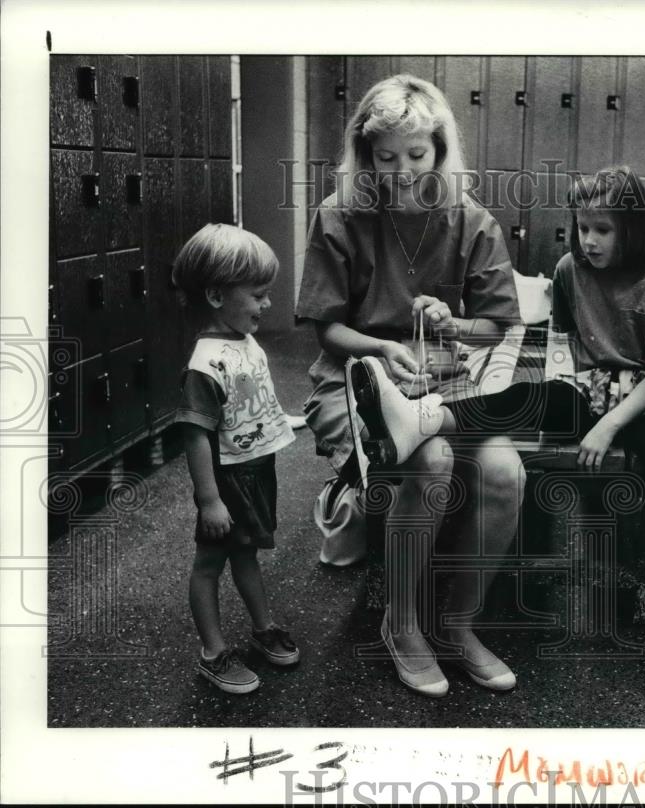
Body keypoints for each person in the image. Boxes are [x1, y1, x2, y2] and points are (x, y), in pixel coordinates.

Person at [350, 166, 645, 703]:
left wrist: (612, 422)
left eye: (603, 229)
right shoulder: (571, 269)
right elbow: (566, 348)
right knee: (529, 396)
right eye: (582, 227)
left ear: (633, 228)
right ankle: (423, 420)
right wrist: (577, 399)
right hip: (591, 389)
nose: (588, 240)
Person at [296, 75, 523, 698]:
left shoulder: (470, 219)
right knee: (431, 461)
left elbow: (496, 327)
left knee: (507, 474)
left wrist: (456, 323)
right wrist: (383, 348)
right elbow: (326, 330)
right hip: (357, 381)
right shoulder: (339, 216)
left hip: (446, 386)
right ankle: (403, 625)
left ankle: (456, 625)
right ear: (364, 153)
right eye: (384, 156)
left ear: (441, 151)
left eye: (416, 155)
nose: (399, 171)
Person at [172, 223, 299, 695]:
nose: (267, 304)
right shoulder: (204, 364)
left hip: (255, 470)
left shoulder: (244, 342)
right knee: (209, 563)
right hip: (225, 482)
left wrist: (282, 419)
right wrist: (209, 501)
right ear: (216, 295)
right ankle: (212, 652)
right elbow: (195, 436)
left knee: (247, 553)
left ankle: (262, 629)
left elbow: (247, 401)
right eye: (259, 294)